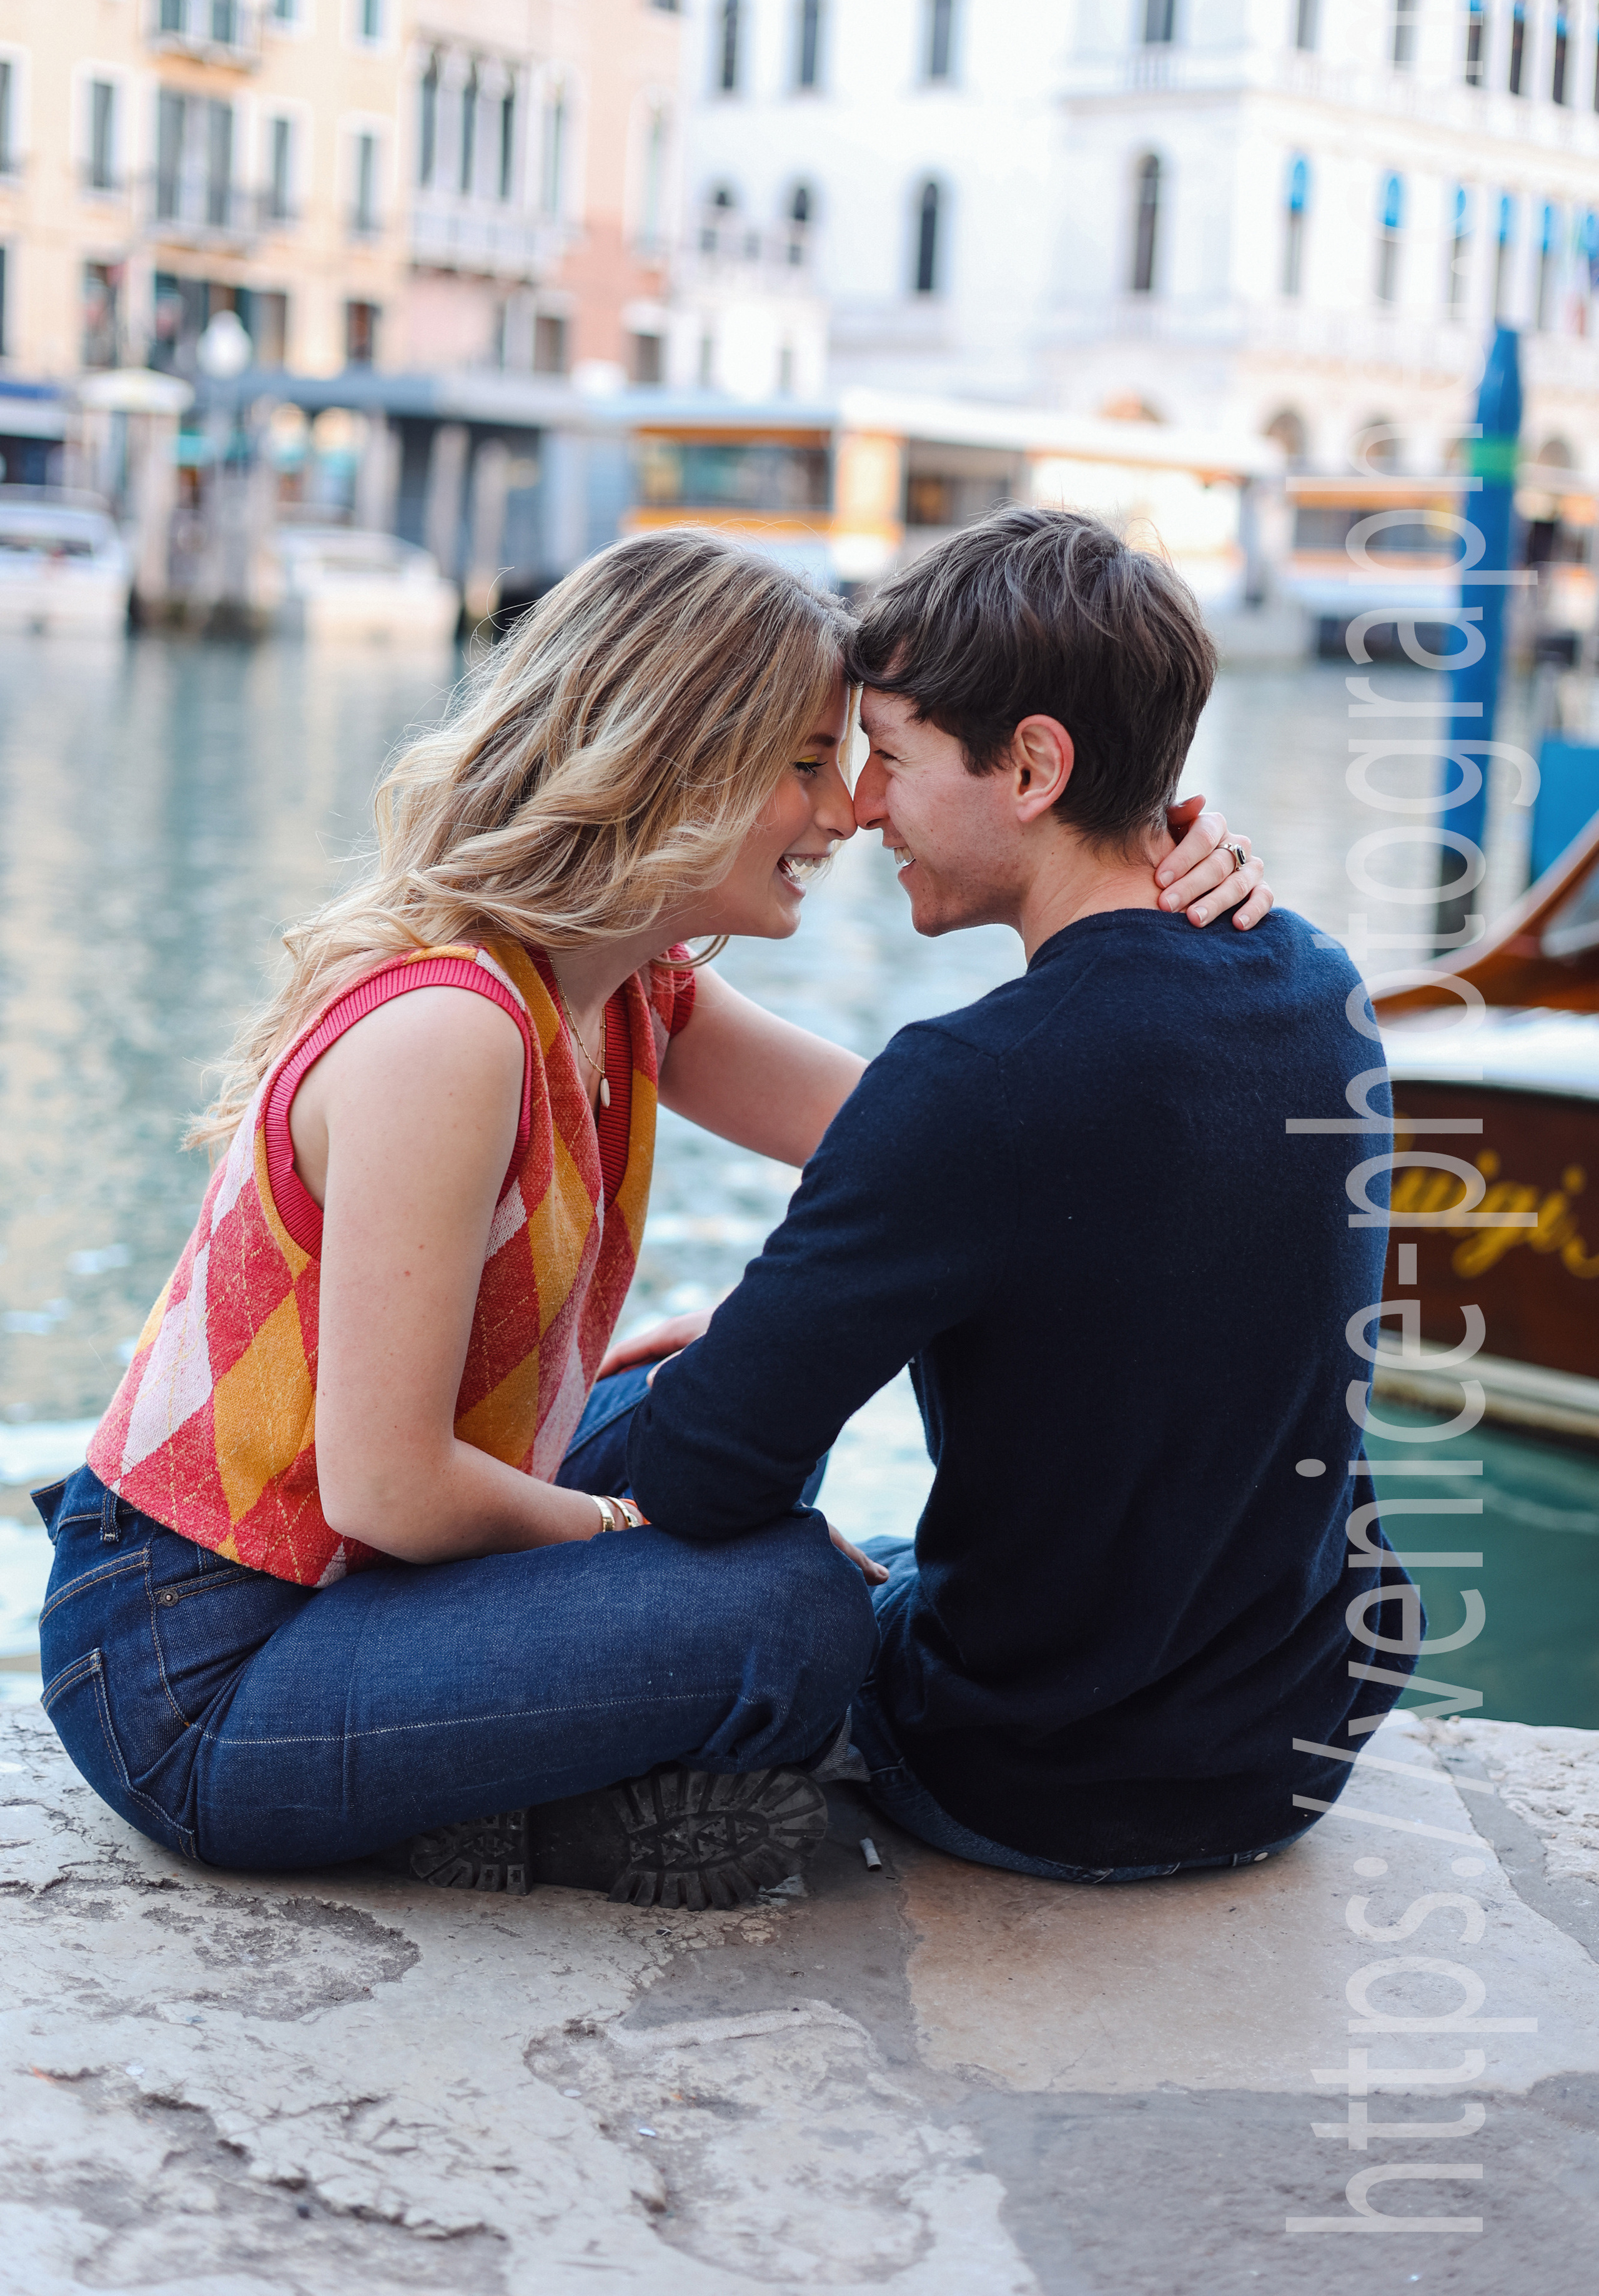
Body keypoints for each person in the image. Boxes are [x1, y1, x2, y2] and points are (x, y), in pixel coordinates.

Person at [32, 527, 1265, 1909]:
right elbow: (387, 1487)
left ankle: (522, 1749)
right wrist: (650, 1524)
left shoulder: (632, 990)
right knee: (794, 1603)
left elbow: (956, 1157)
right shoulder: (449, 1032)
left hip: (349, 1586)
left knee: (725, 1414)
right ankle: (517, 1820)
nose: (849, 811)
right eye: (804, 764)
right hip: (195, 1672)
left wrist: (1150, 902)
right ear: (671, 763)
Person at [616, 508, 1408, 1884]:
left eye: (890, 755)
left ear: (1034, 763)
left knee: (732, 1537)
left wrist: (733, 1357)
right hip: (1289, 1749)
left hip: (1036, 1777)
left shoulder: (969, 1087)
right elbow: (1081, 1216)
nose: (863, 807)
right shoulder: (1318, 987)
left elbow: (698, 1475)